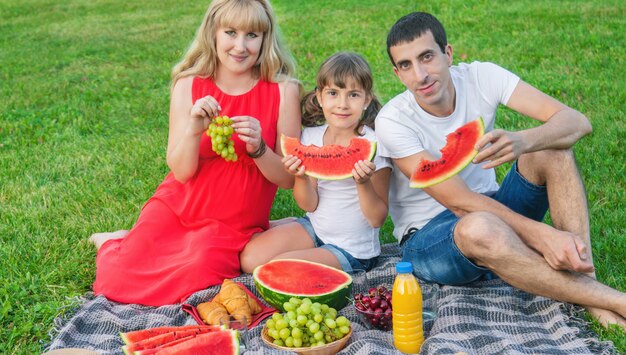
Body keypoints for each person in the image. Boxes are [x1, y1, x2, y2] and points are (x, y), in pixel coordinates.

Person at [375, 12, 626, 330]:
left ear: (448, 54)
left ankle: (587, 284)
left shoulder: (482, 77)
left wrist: (525, 140)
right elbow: (459, 203)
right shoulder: (393, 120)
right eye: (406, 65)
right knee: (478, 226)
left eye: (427, 57)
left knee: (552, 150)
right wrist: (541, 235)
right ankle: (612, 301)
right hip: (430, 241)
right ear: (397, 74)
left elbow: (577, 122)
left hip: (496, 214)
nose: (420, 75)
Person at [90, 0, 302, 306]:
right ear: (213, 33)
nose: (240, 46)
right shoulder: (188, 85)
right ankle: (112, 242)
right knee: (115, 280)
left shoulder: (283, 91)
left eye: (252, 35)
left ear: (265, 38)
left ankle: (127, 239)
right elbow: (181, 172)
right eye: (230, 32)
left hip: (231, 224)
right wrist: (193, 129)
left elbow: (288, 179)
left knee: (197, 273)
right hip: (178, 206)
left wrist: (260, 149)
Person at [239, 52, 391, 273]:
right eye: (333, 93)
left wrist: (363, 183)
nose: (342, 104)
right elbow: (309, 204)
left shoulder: (374, 145)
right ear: (320, 98)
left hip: (352, 250)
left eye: (353, 95)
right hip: (315, 228)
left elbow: (377, 218)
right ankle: (295, 230)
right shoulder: (310, 137)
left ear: (366, 100)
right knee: (250, 259)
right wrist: (301, 176)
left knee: (277, 269)